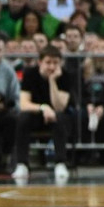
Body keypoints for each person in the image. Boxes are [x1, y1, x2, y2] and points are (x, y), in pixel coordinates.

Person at [16, 45, 73, 184]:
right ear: (40, 62)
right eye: (48, 62)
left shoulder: (65, 76)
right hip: (36, 113)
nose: (51, 67)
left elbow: (60, 106)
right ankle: (22, 164)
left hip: (56, 116)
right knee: (23, 118)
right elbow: (24, 104)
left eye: (55, 63)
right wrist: (43, 108)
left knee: (60, 118)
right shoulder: (30, 74)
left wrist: (52, 81)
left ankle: (60, 163)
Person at [0, 39, 24, 175]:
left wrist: (7, 106)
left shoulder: (8, 70)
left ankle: (5, 158)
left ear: (3, 52)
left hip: (1, 113)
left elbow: (16, 97)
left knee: (12, 119)